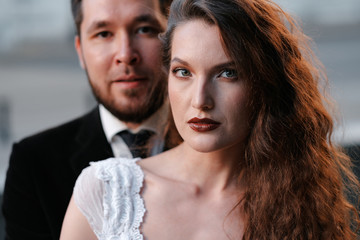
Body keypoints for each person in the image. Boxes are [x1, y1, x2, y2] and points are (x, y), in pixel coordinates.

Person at [60, 0, 360, 239]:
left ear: (264, 84)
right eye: (183, 72)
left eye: (227, 73)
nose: (200, 99)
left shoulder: (298, 204)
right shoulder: (106, 193)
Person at [1, 0, 172, 239]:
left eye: (145, 29)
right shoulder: (33, 164)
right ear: (80, 51)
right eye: (103, 34)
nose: (125, 55)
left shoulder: (222, 152)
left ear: (175, 41)